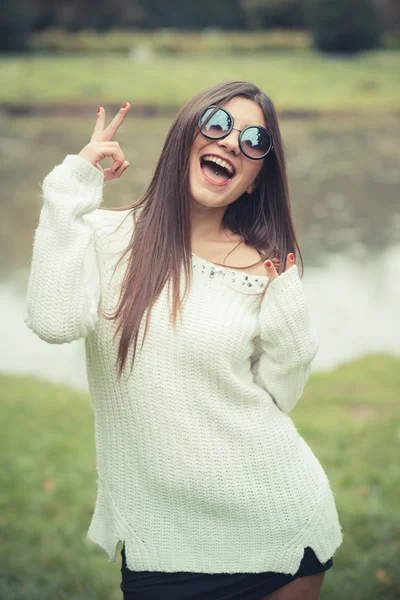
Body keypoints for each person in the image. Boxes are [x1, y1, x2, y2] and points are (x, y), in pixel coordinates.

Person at [24, 80, 343, 600]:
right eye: (217, 124)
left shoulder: (262, 270)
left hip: (278, 526)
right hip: (162, 542)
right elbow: (52, 320)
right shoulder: (106, 237)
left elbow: (282, 394)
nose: (230, 143)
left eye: (253, 141)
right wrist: (72, 185)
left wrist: (287, 307)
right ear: (185, 135)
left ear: (256, 179)